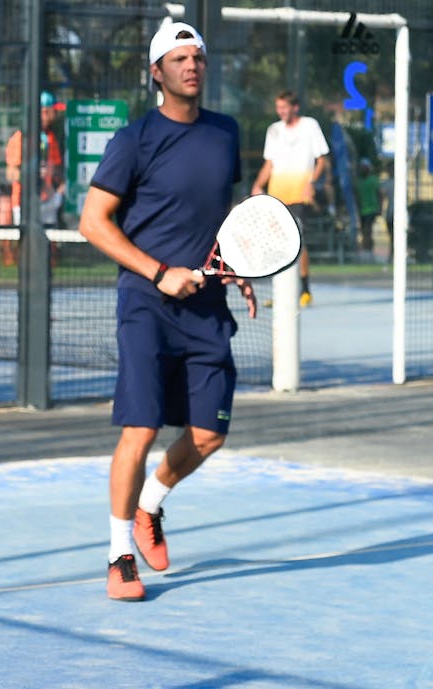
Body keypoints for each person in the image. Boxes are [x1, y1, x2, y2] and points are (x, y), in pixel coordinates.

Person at [78, 21, 256, 602]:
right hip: (146, 304)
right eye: (179, 58)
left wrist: (239, 266)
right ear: (157, 72)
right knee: (142, 426)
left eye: (198, 57)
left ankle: (148, 508)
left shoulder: (225, 134)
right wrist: (158, 272)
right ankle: (118, 555)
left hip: (208, 304)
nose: (192, 66)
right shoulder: (133, 141)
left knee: (209, 434)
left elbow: (216, 219)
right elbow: (93, 223)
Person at [250, 89, 329, 308]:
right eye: (278, 108)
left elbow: (321, 160)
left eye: (284, 107)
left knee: (298, 242)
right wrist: (258, 185)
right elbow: (269, 163)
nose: (281, 111)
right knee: (278, 244)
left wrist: (311, 184)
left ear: (295, 107)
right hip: (277, 195)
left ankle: (305, 291)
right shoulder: (273, 130)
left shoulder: (310, 126)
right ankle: (281, 292)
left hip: (299, 194)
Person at [5, 90, 66, 227]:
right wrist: (31, 174)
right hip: (24, 203)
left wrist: (60, 191)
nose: (56, 115)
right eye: (53, 111)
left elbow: (55, 170)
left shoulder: (51, 138)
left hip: (48, 202)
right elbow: (11, 174)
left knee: (50, 245)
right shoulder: (20, 138)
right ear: (44, 112)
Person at [355, 157, 383, 260]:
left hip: (371, 210)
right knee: (364, 231)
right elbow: (357, 197)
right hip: (362, 210)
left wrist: (379, 208)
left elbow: (379, 194)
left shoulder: (373, 180)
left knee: (368, 230)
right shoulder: (359, 181)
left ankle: (369, 251)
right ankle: (367, 251)